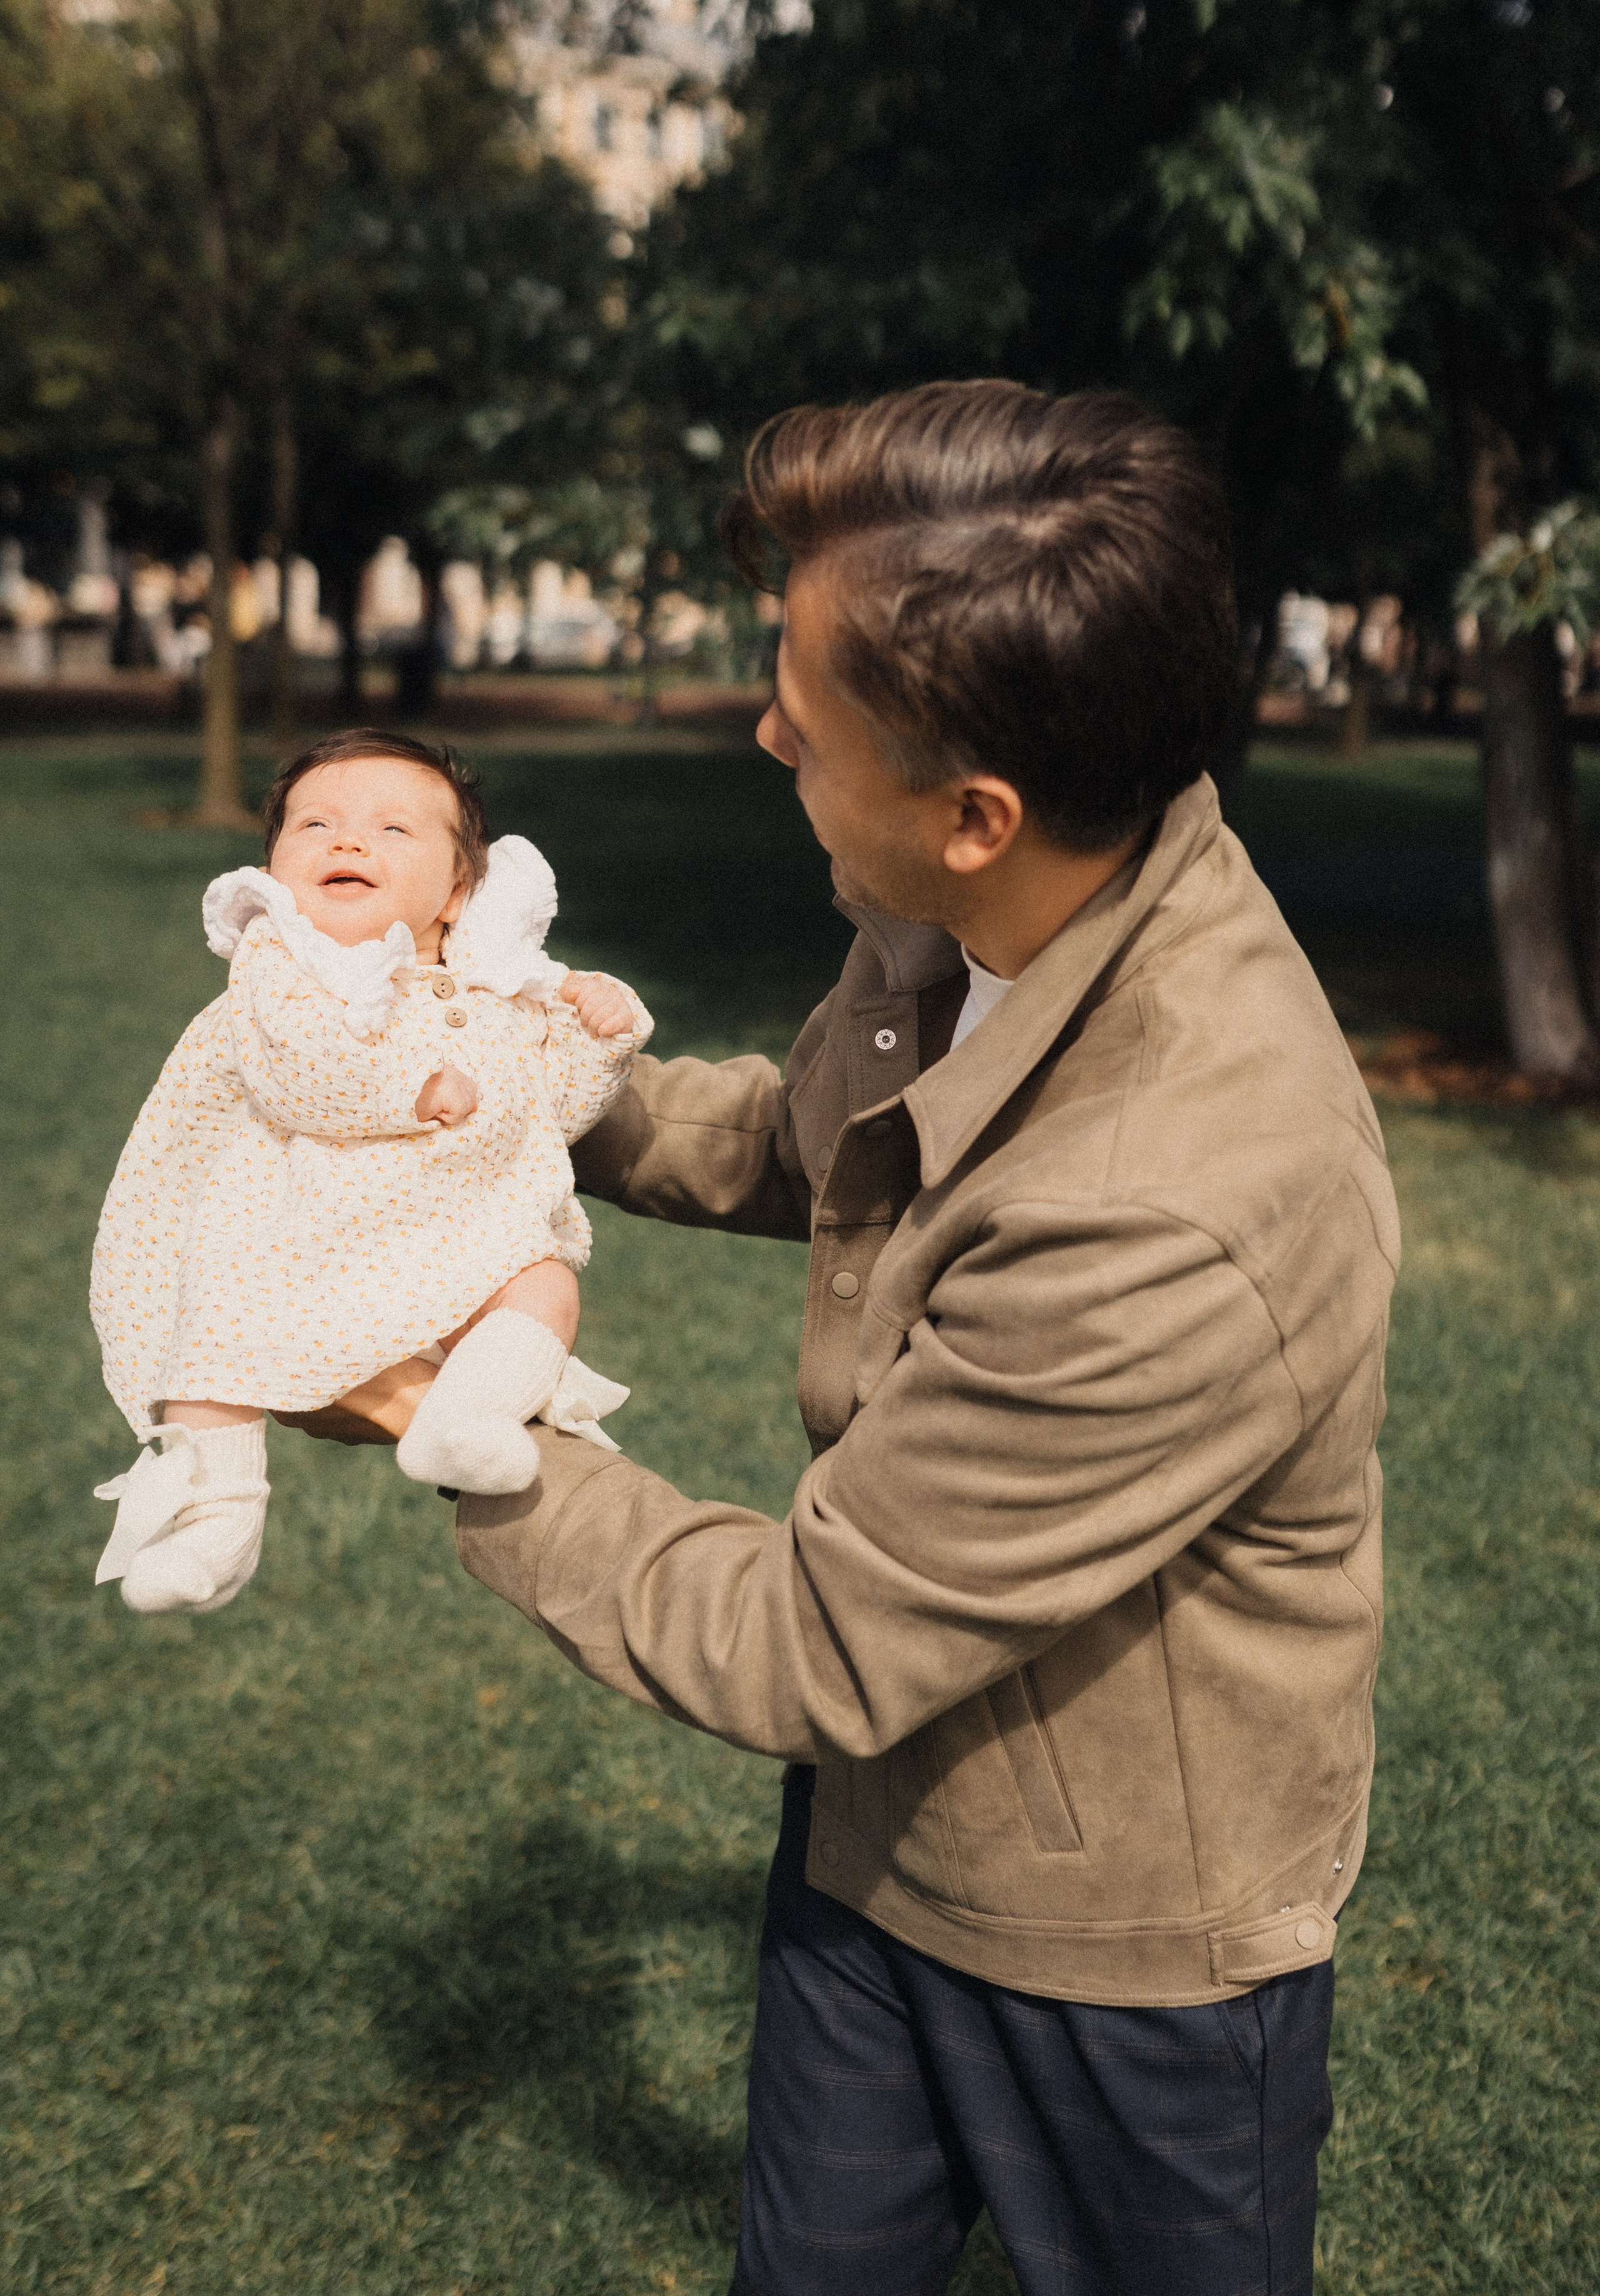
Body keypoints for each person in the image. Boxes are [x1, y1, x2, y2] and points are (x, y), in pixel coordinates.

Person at [309, 383, 1399, 2295]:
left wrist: (444, 1406)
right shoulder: (989, 908)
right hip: (877, 1838)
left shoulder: (1172, 1201)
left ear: (972, 810)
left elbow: (812, 1638)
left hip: (1125, 1953)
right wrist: (522, 1091)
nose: (763, 735)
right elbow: (813, 1137)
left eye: (800, 730)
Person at [89, 730, 651, 1615]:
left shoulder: (494, 991)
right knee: (212, 1331)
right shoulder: (282, 966)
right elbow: (295, 1066)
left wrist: (601, 1034)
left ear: (459, 892)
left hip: (446, 1238)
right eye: (315, 823)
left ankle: (465, 1417)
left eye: (394, 829)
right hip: (292, 1229)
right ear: (273, 864)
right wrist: (410, 1087)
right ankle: (214, 1516)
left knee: (543, 1277)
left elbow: (546, 1110)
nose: (347, 841)